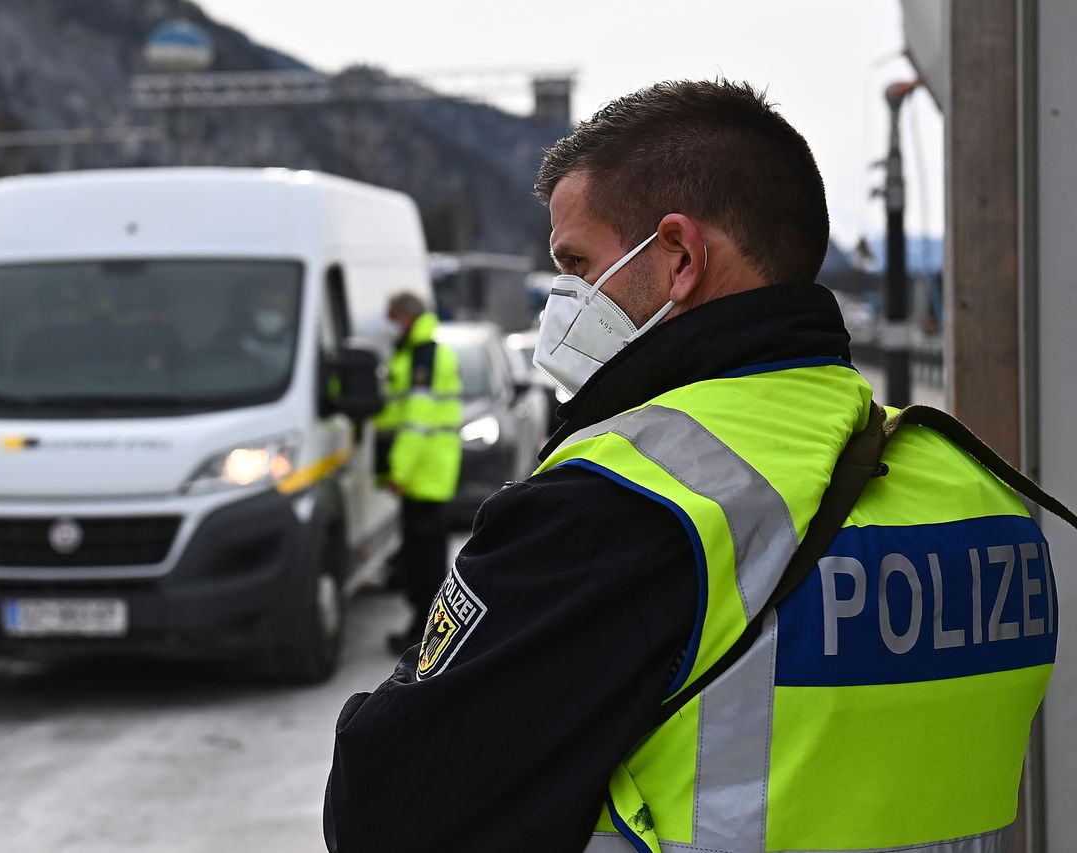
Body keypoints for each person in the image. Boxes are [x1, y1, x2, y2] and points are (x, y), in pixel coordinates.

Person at [325, 80, 1067, 853]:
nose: (564, 298)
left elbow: (384, 808)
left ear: (678, 256)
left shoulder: (619, 502)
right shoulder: (983, 495)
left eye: (576, 263)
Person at [374, 292, 462, 654]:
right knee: (423, 553)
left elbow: (417, 422)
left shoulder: (423, 354)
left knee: (423, 558)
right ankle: (426, 628)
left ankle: (424, 633)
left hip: (423, 471)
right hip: (426, 469)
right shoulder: (415, 351)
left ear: (406, 316)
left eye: (393, 316)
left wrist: (399, 470)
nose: (391, 324)